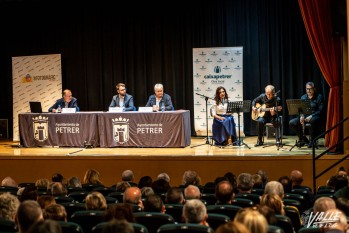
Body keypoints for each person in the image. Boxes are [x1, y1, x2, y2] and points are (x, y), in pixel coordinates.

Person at [289, 82, 324, 148]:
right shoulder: (303, 97)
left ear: (314, 89)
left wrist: (311, 116)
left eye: (310, 89)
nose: (309, 91)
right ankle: (303, 139)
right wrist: (301, 116)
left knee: (313, 120)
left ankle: (312, 140)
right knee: (292, 122)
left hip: (314, 116)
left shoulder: (319, 97)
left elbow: (320, 110)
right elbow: (300, 110)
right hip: (305, 116)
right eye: (307, 89)